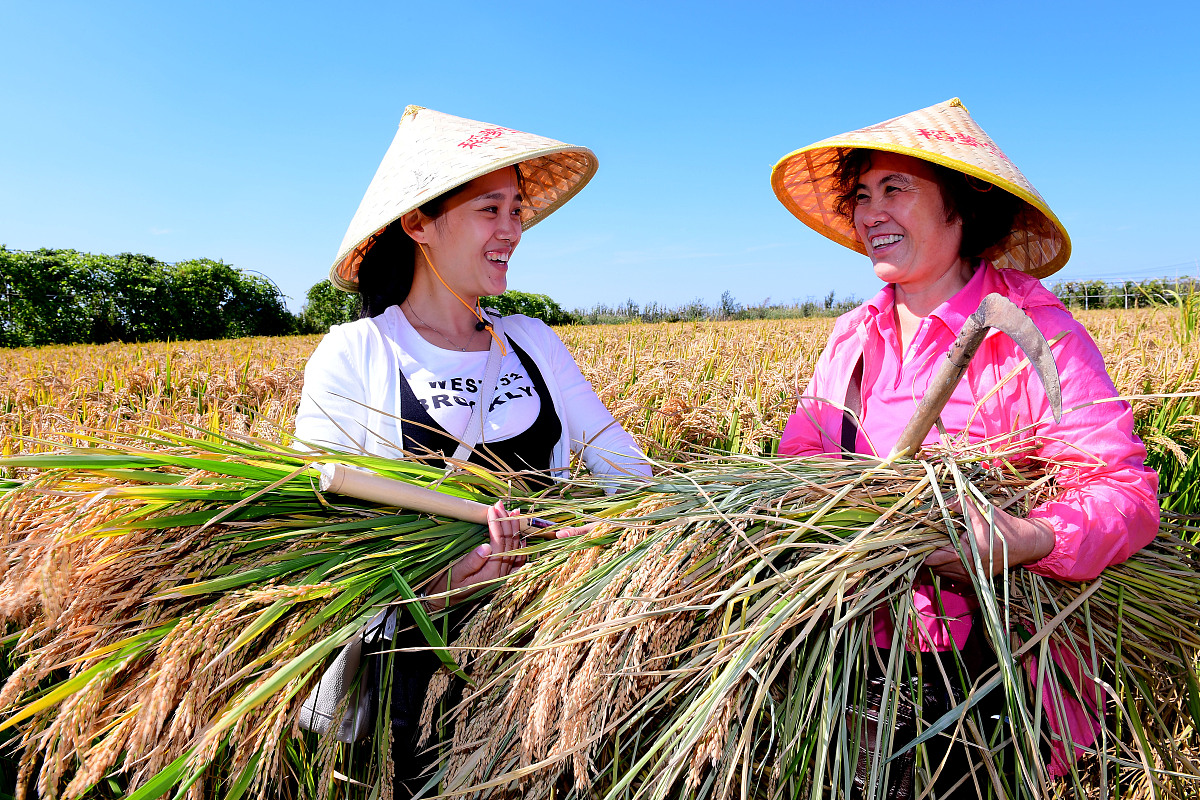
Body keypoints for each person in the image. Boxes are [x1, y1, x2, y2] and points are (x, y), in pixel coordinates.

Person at [770, 98, 1158, 795]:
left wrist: (1029, 536)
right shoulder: (851, 339)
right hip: (861, 651)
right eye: (862, 195)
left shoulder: (1031, 330)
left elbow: (1122, 492)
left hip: (991, 666)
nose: (870, 213)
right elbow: (797, 464)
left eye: (896, 189)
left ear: (961, 209)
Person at [294, 105, 651, 792]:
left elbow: (626, 469)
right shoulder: (357, 353)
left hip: (541, 664)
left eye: (517, 209)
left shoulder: (534, 342)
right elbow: (317, 528)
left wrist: (612, 533)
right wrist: (429, 583)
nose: (512, 230)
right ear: (419, 223)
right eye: (491, 208)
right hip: (409, 680)